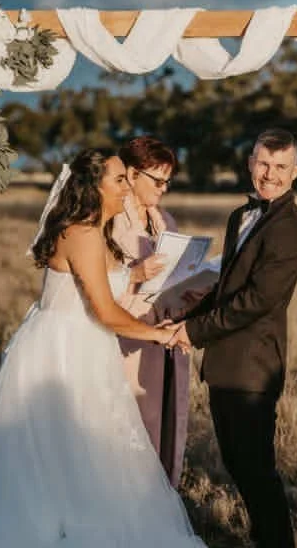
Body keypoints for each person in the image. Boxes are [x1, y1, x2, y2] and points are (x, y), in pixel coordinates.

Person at [0, 147, 206, 547]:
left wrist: (137, 274)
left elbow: (105, 287)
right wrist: (161, 335)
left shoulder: (97, 230)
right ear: (95, 186)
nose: (127, 187)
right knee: (69, 449)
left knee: (88, 449)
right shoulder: (83, 232)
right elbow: (106, 312)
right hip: (63, 352)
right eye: (119, 179)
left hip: (86, 346)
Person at [172, 128, 297, 548]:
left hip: (252, 369)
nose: (270, 174)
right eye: (263, 163)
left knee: (256, 471)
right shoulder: (240, 217)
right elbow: (226, 286)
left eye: (280, 167)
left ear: (295, 172)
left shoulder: (289, 227)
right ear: (250, 162)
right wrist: (182, 313)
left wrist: (192, 332)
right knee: (238, 463)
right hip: (226, 363)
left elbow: (256, 301)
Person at [112, 136, 189, 487]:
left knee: (163, 422)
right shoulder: (111, 221)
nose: (164, 188)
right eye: (157, 180)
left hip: (166, 334)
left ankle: (157, 494)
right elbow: (96, 287)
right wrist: (135, 274)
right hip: (125, 338)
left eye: (168, 181)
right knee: (129, 430)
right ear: (131, 174)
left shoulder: (166, 221)